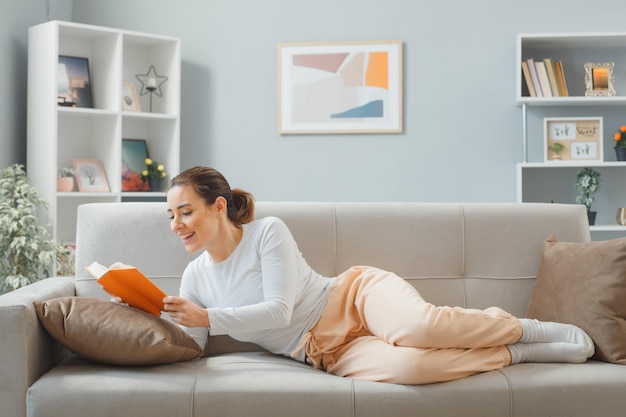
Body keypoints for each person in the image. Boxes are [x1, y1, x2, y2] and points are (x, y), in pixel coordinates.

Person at [162, 166, 595, 385]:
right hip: (322, 351)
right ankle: (515, 353)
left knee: (419, 328)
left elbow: (278, 311)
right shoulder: (195, 278)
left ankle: (524, 328)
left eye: (185, 212)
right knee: (414, 367)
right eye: (171, 216)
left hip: (351, 296)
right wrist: (146, 311)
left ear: (218, 207)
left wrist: (209, 319)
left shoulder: (266, 233)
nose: (176, 225)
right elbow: (191, 348)